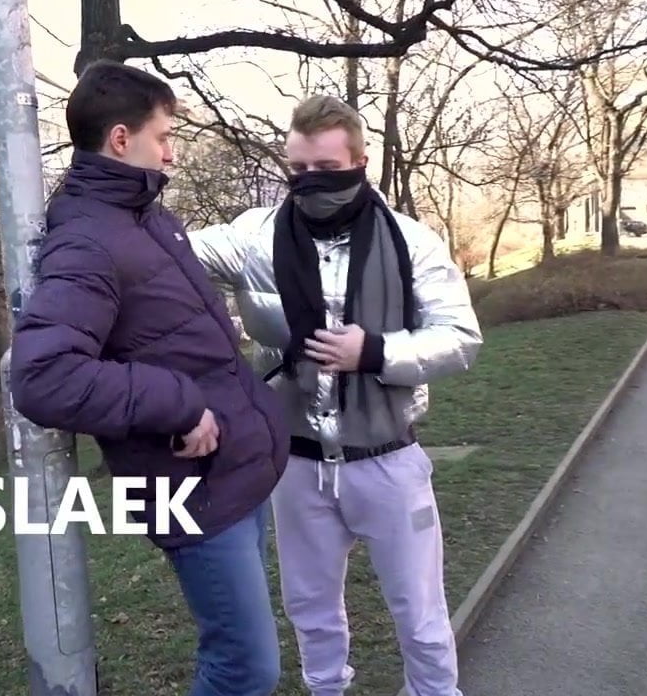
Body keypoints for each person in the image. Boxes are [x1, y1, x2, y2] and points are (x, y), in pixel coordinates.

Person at [8, 61, 290, 696]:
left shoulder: (151, 221)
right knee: (245, 669)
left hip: (237, 472)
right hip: (192, 490)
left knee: (243, 659)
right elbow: (45, 376)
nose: (172, 153)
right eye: (163, 137)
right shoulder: (86, 241)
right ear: (120, 139)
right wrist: (179, 404)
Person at [188, 94, 483, 696]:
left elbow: (461, 338)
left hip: (389, 460)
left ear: (359, 162)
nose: (309, 180)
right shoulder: (255, 237)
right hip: (296, 466)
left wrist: (373, 352)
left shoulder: (412, 241)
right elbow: (166, 250)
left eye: (325, 168)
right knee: (311, 611)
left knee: (421, 616)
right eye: (298, 168)